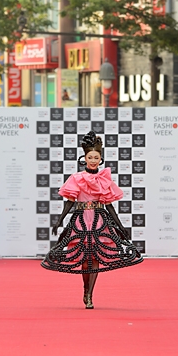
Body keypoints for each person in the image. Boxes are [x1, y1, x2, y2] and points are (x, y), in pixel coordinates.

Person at [41, 131, 143, 309]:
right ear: (85, 158)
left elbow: (109, 206)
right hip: (80, 220)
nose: (93, 160)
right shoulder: (76, 178)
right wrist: (59, 221)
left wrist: (120, 226)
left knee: (95, 254)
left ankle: (90, 294)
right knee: (83, 256)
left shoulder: (104, 179)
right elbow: (69, 203)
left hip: (99, 219)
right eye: (90, 157)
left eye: (96, 157)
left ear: (100, 159)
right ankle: (85, 287)